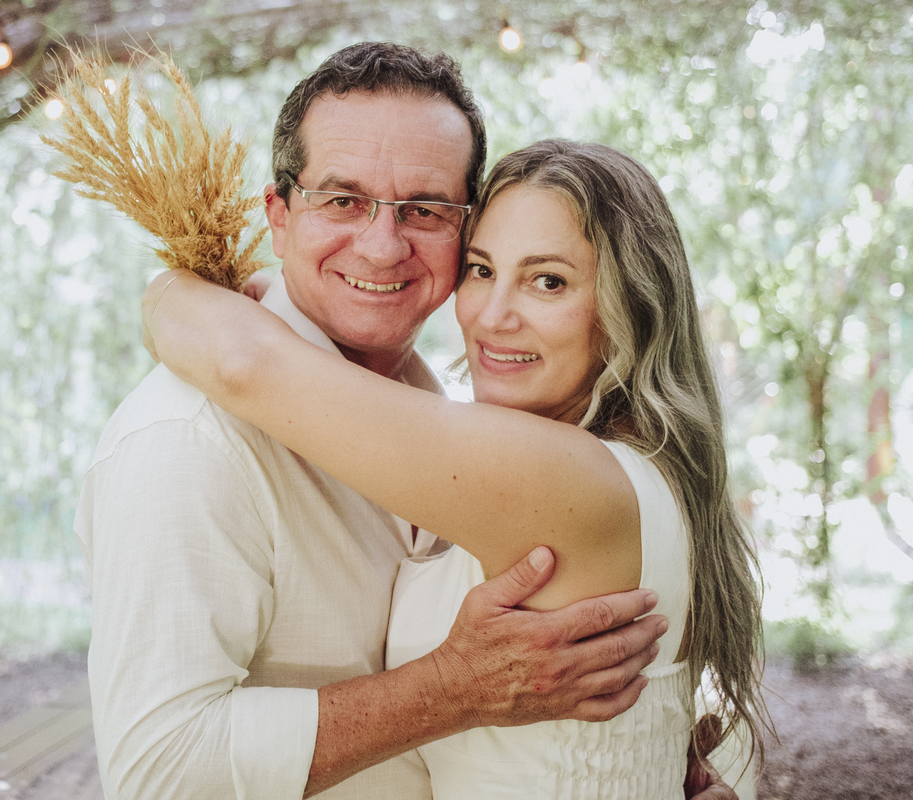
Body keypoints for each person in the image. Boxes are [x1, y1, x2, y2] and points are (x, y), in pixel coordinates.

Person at [75, 42, 732, 799]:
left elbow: (247, 362)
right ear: (279, 218)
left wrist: (168, 297)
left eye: (425, 209)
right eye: (342, 201)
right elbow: (158, 773)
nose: (383, 246)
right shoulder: (189, 441)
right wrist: (450, 691)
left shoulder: (491, 446)